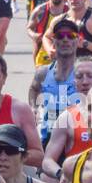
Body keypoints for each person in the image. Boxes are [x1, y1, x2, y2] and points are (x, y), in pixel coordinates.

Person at [40, 55, 92, 183]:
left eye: (90, 76)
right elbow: (48, 160)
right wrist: (60, 173)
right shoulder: (67, 117)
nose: (85, 81)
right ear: (74, 83)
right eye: (79, 77)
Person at [29, 15, 80, 145]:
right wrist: (33, 108)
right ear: (54, 41)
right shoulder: (43, 72)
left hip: (76, 139)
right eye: (60, 36)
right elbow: (34, 89)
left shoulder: (84, 73)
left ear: (77, 40)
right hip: (48, 137)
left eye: (70, 35)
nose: (65, 40)